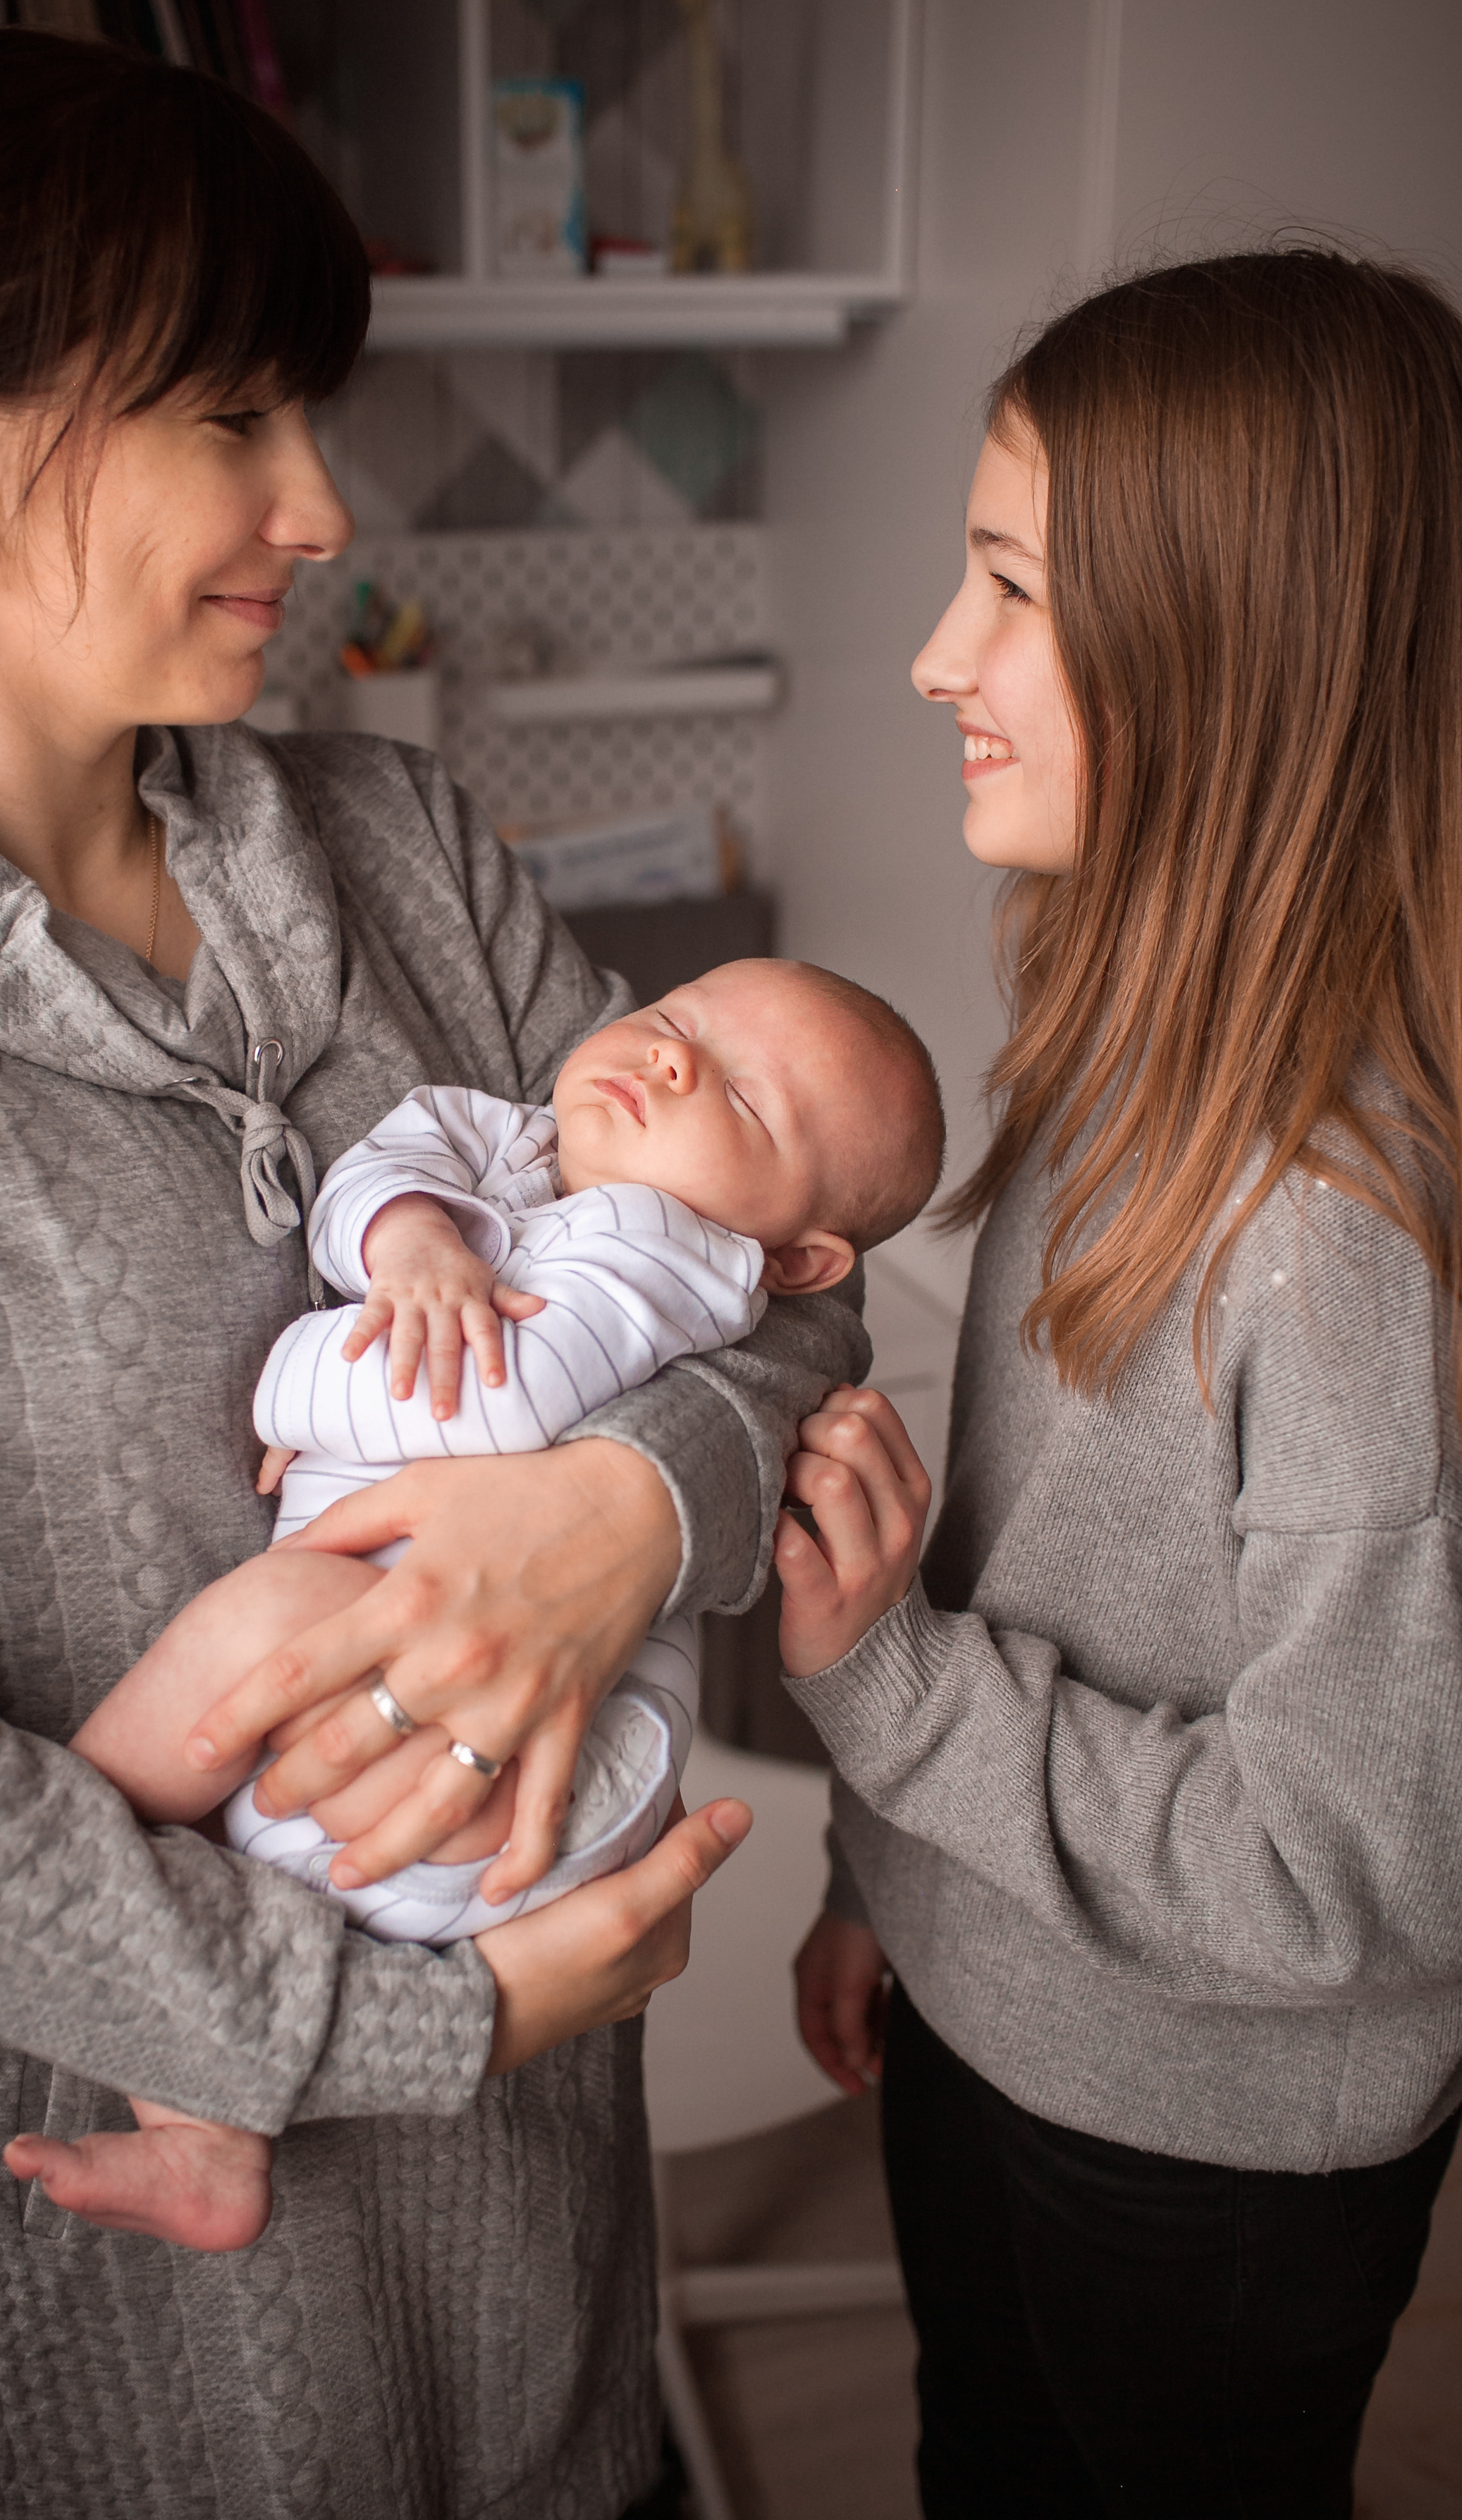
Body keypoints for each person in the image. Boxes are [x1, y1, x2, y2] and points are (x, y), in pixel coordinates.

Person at [0, 32, 870, 2516]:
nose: (323, 503)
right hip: (118, 2283)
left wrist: (619, 1519)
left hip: (533, 2266)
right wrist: (416, 2018)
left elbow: (783, 1274)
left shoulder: (408, 848)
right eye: (232, 417)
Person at [779, 250, 1462, 2519]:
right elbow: (1021, 1555)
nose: (936, 657)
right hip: (992, 1992)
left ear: (1226, 650)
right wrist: (887, 1871)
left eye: (1010, 589)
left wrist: (890, 1707)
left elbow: (1349, 1874)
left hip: (1209, 2135)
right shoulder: (1118, 1047)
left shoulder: (1342, 1232)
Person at [2, 961, 945, 2249]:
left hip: (529, 1766)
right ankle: (205, 2130)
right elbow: (375, 1177)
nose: (672, 1059)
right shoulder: (523, 1139)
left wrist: (292, 1381)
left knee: (257, 1628)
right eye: (676, 1021)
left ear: (791, 1254)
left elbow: (487, 1401)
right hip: (440, 1703)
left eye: (742, 1098)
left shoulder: (669, 1254)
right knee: (236, 1871)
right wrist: (412, 1240)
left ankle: (53, 1856)